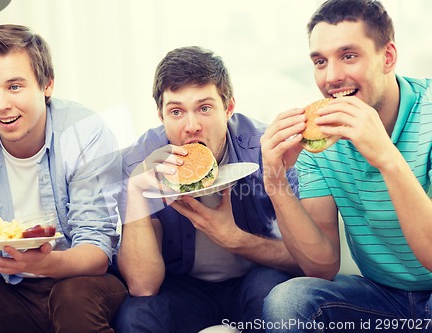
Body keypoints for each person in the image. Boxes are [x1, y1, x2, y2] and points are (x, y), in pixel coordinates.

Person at [0, 24, 127, 333]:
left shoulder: (84, 131)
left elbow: (97, 250)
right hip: (7, 287)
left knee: (73, 298)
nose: (1, 105)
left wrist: (43, 264)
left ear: (47, 85)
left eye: (14, 86)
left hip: (80, 280)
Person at [260, 0, 432, 332]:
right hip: (380, 297)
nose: (332, 77)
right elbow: (322, 267)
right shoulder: (318, 140)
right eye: (320, 62)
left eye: (348, 56)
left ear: (388, 57)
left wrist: (385, 156)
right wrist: (275, 182)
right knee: (287, 300)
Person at [113, 46, 302, 333]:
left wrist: (234, 239)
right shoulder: (139, 163)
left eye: (204, 108)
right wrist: (136, 192)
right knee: (135, 315)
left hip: (254, 278)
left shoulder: (266, 151)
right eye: (176, 111)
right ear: (160, 115)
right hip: (184, 288)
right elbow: (143, 285)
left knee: (273, 296)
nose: (191, 126)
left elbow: (305, 260)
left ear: (228, 108)